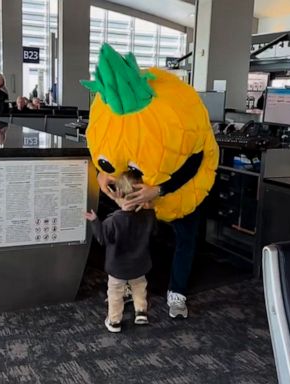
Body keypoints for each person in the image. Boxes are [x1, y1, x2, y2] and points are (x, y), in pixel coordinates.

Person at [81, 43, 219, 320]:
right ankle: (134, 283)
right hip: (143, 193)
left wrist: (158, 189)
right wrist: (103, 173)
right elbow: (107, 149)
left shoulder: (173, 121)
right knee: (139, 236)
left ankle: (176, 293)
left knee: (184, 239)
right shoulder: (117, 122)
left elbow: (194, 161)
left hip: (179, 189)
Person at [85, 171, 158, 333]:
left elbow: (102, 239)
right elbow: (154, 233)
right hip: (140, 264)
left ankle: (114, 321)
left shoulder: (112, 221)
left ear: (118, 193)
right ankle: (141, 313)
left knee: (115, 293)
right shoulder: (148, 215)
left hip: (118, 268)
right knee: (139, 288)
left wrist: (94, 221)